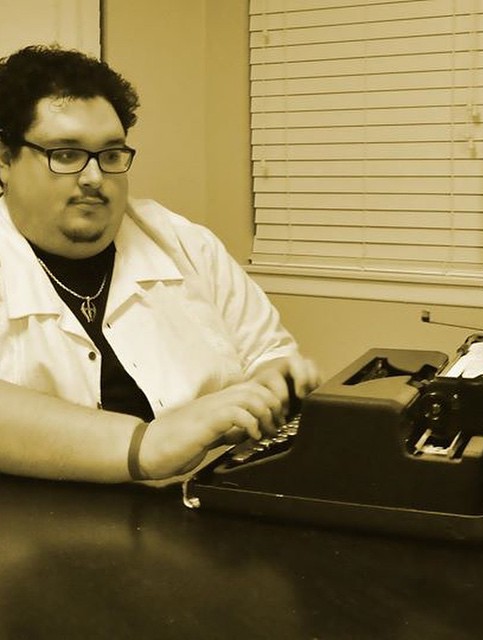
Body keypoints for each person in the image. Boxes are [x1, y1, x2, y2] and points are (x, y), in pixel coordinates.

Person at [0, 44, 320, 484]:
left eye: (111, 154)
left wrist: (275, 383)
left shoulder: (186, 243)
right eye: (66, 154)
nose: (94, 177)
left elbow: (268, 354)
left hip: (206, 498)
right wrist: (147, 445)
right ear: (5, 159)